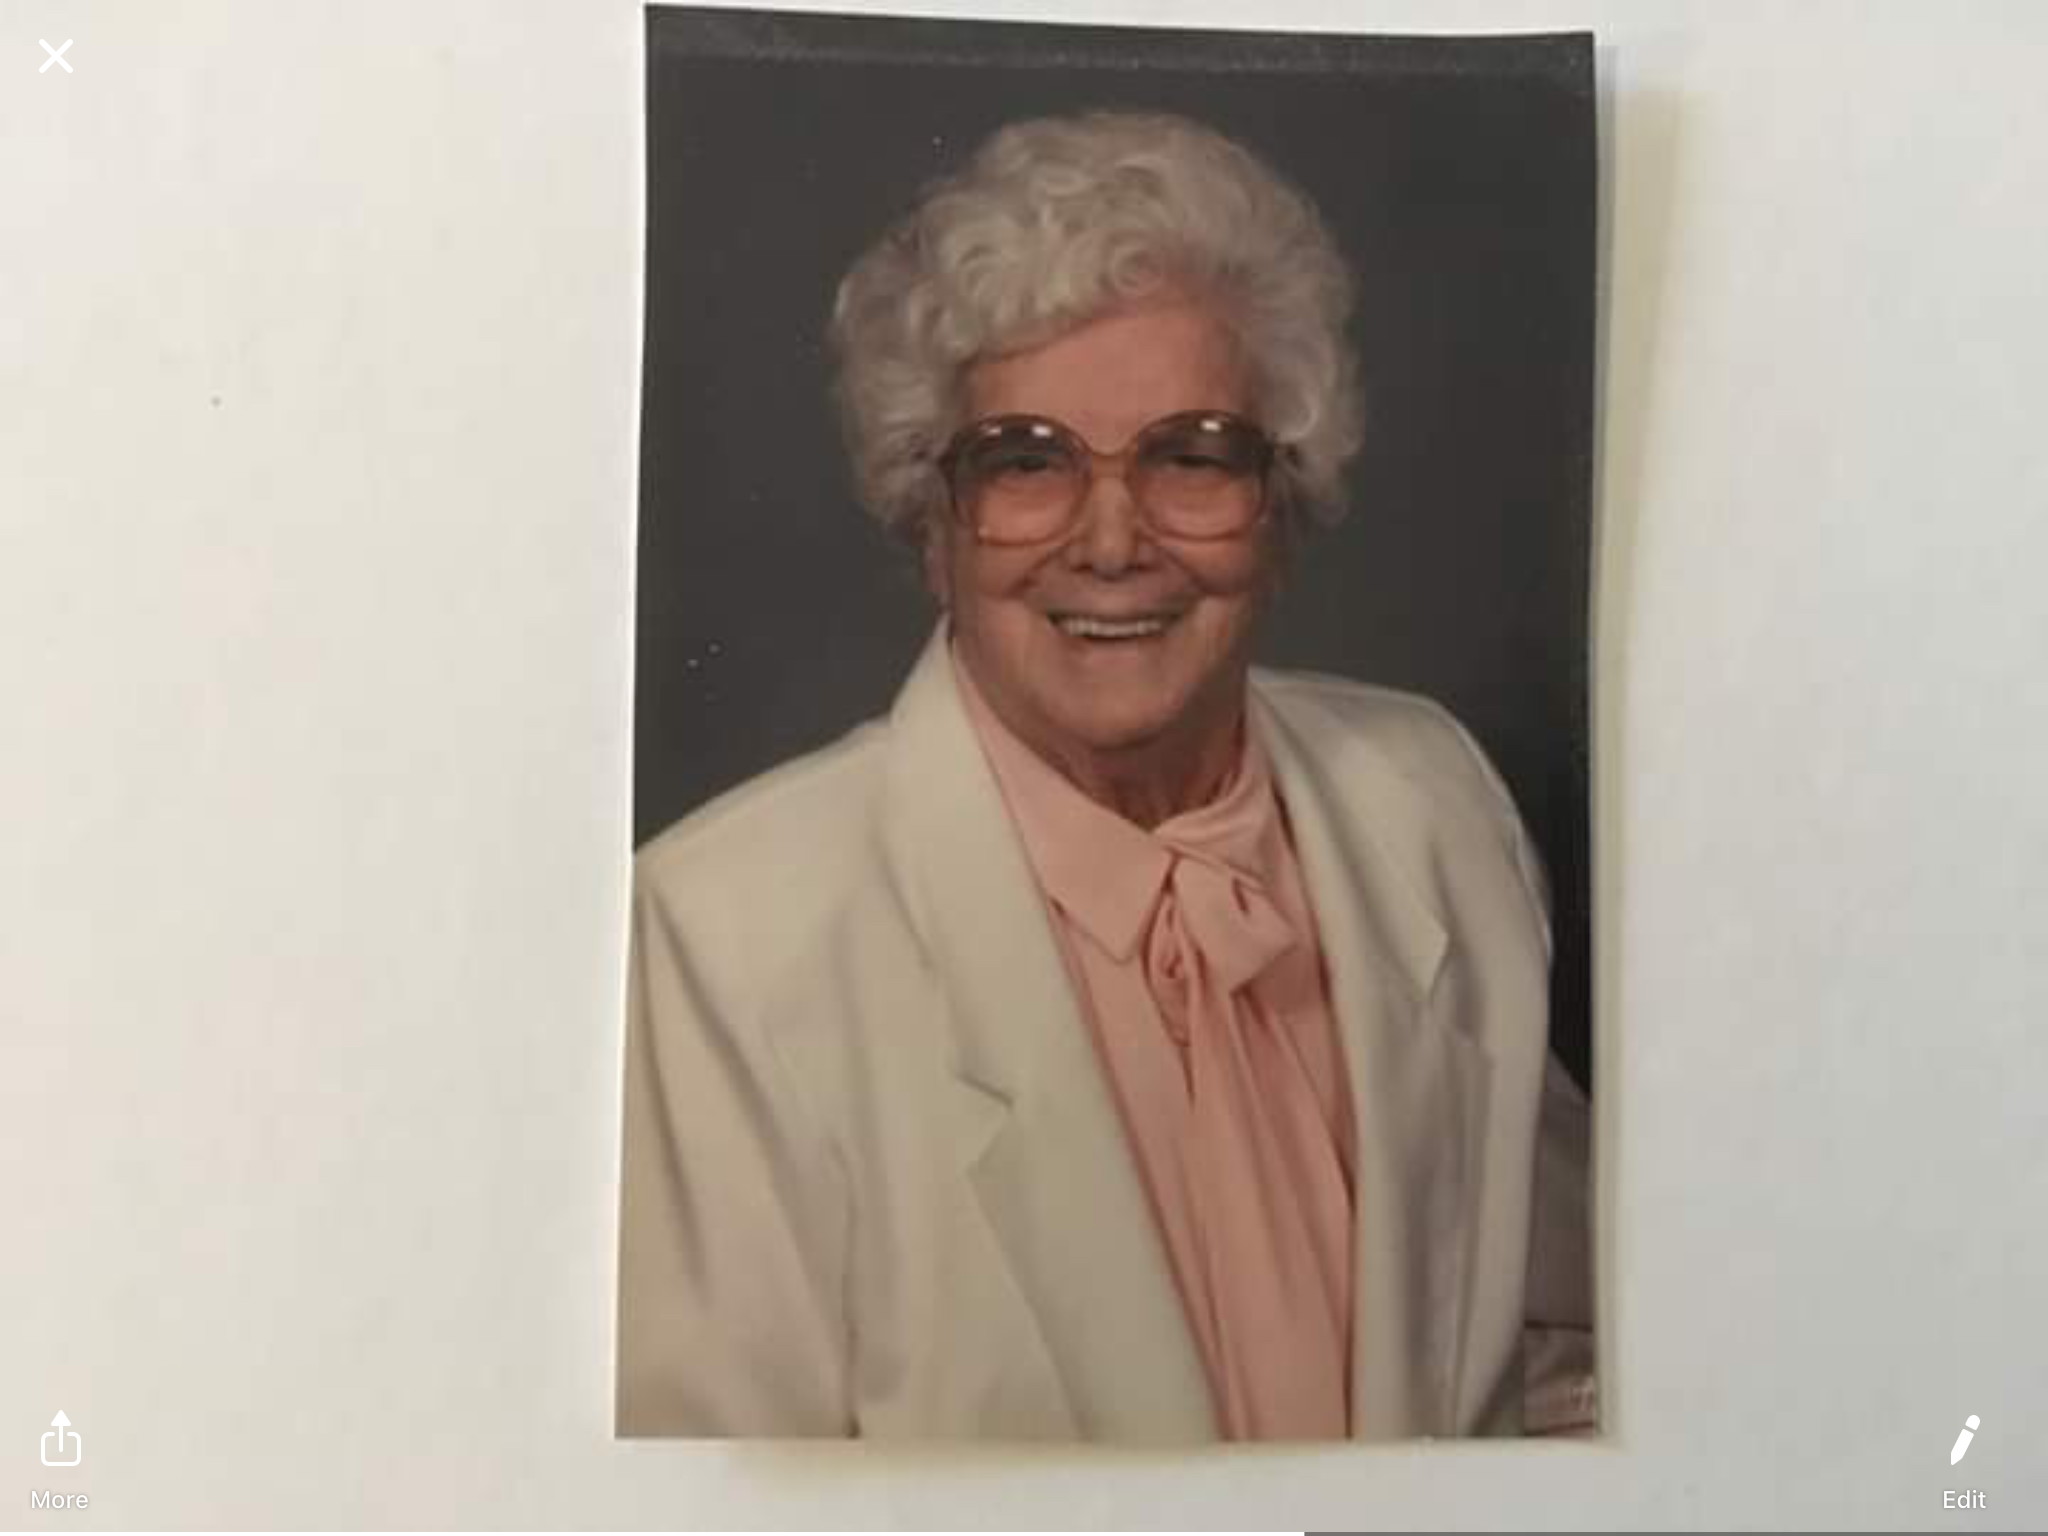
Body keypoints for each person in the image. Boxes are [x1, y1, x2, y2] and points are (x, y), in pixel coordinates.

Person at [618, 110, 1594, 1442]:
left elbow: (1576, 1354)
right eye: (1027, 463)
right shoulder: (725, 934)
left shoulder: (1429, 801)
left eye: (1192, 455)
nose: (1115, 543)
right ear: (933, 520)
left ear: (1283, 500)